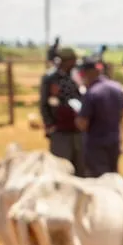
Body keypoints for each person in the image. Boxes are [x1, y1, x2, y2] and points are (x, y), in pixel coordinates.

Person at [75, 57, 123, 177]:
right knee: (113, 177)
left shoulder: (92, 93)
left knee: (98, 181)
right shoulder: (118, 88)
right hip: (114, 141)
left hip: (96, 145)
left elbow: (83, 123)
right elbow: (122, 113)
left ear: (88, 73)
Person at [39, 47, 84, 175]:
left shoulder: (76, 76)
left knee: (80, 166)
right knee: (61, 167)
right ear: (67, 61)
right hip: (59, 130)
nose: (76, 62)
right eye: (74, 60)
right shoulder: (50, 78)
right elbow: (44, 104)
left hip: (77, 128)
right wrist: (50, 125)